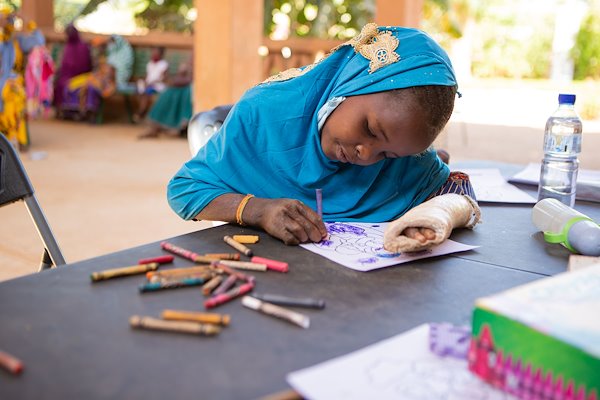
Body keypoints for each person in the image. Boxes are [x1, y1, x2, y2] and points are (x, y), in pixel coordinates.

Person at [167, 24, 478, 246]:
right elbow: (185, 189)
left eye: (388, 155)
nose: (366, 155)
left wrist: (431, 216)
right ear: (349, 84)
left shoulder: (409, 158)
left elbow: (456, 193)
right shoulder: (263, 113)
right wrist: (258, 209)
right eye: (368, 130)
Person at [0, 9, 45, 150]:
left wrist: (27, 21)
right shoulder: (2, 42)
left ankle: (17, 138)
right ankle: (8, 137)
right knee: (10, 94)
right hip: (2, 82)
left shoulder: (18, 42)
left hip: (15, 82)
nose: (7, 24)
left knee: (17, 95)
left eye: (9, 21)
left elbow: (39, 41)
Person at [137, 56, 192, 139]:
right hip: (179, 86)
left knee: (187, 93)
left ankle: (178, 128)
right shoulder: (192, 58)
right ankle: (154, 128)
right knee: (166, 94)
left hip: (189, 88)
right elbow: (178, 76)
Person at [59, 57, 116, 122]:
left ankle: (88, 112)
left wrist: (100, 88)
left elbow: (107, 91)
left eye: (106, 67)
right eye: (103, 66)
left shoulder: (108, 79)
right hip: (85, 90)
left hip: (95, 92)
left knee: (90, 89)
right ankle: (76, 112)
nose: (104, 68)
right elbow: (88, 81)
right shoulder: (96, 75)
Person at [53, 24, 92, 114]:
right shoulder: (68, 47)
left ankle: (73, 111)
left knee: (64, 83)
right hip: (67, 75)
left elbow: (86, 65)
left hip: (81, 75)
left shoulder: (83, 47)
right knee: (60, 83)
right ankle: (64, 111)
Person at [133, 46, 169, 122]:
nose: (154, 54)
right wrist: (144, 81)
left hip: (158, 85)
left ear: (161, 54)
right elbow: (147, 76)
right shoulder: (150, 64)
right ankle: (143, 109)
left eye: (156, 53)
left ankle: (142, 111)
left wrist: (152, 82)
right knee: (139, 88)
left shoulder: (164, 64)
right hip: (148, 84)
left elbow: (164, 78)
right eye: (153, 52)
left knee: (147, 92)